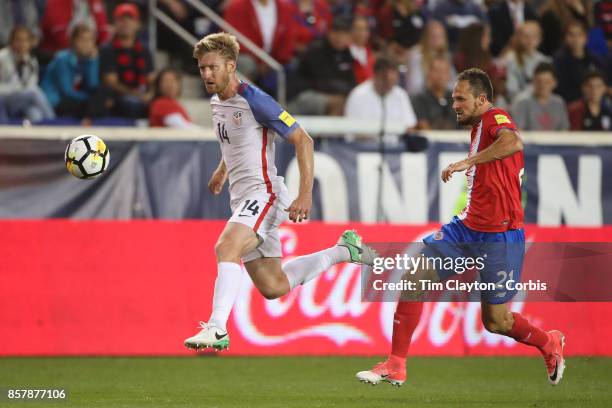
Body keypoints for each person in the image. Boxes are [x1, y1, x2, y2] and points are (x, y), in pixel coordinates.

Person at [355, 68, 565, 387]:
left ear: (482, 99)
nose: (454, 104)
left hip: (501, 237)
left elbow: (514, 142)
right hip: (466, 229)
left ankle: (549, 343)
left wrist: (470, 161)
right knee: (413, 278)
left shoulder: (495, 118)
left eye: (460, 98)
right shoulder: (479, 126)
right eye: (453, 98)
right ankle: (396, 364)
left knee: (496, 322)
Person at [183, 32, 376, 350]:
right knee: (273, 286)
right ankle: (344, 251)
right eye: (202, 68)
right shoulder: (219, 102)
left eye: (212, 67)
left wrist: (305, 194)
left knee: (226, 247)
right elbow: (236, 144)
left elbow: (304, 140)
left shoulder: (256, 100)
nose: (206, 74)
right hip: (243, 199)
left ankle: (216, 327)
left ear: (231, 66)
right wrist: (221, 172)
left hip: (266, 194)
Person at [41, 24, 111, 122]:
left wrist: (92, 61)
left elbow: (93, 85)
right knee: (97, 104)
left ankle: (88, 118)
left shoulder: (89, 58)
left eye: (90, 40)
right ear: (73, 41)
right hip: (57, 100)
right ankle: (88, 119)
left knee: (103, 92)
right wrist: (91, 100)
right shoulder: (62, 58)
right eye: (82, 39)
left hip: (77, 99)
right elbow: (66, 91)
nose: (86, 44)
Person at [289, 17, 356, 115]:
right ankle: (330, 130)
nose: (339, 38)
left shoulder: (346, 54)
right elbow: (320, 82)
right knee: (337, 103)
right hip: (304, 95)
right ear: (329, 33)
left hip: (334, 94)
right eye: (336, 33)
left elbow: (351, 80)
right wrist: (342, 91)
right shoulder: (317, 50)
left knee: (351, 100)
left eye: (343, 34)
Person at [344, 55, 417, 143]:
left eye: (393, 81)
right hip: (363, 148)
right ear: (375, 75)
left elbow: (410, 126)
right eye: (385, 80)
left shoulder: (400, 95)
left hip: (395, 148)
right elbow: (353, 131)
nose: (389, 85)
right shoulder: (358, 95)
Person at [100, 3, 154, 119]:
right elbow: (111, 82)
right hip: (117, 98)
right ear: (115, 23)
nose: (126, 23)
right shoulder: (107, 49)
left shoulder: (144, 50)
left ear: (137, 24)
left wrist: (150, 94)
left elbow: (151, 79)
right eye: (121, 20)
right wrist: (137, 95)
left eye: (130, 19)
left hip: (141, 95)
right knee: (132, 104)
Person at [0, 26, 54, 123]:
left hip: (21, 100)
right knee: (35, 92)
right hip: (3, 98)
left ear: (29, 44)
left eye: (25, 41)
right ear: (11, 41)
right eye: (18, 40)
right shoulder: (2, 58)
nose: (22, 44)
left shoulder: (31, 61)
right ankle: (54, 124)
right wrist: (18, 89)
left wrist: (21, 91)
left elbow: (31, 85)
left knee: (36, 114)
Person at [553, 21, 605, 103]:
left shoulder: (596, 59)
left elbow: (602, 84)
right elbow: (560, 89)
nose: (575, 39)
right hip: (570, 104)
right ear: (565, 38)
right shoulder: (559, 61)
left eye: (579, 35)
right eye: (571, 35)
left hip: (595, 102)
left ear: (586, 38)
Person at [512, 62, 569, 131]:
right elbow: (519, 131)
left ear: (554, 83)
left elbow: (564, 130)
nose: (542, 86)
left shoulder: (559, 102)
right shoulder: (523, 103)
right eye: (539, 81)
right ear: (533, 81)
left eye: (547, 82)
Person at [504, 21, 551, 101]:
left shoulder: (545, 61)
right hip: (519, 102)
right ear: (518, 38)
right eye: (526, 36)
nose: (530, 40)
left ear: (540, 39)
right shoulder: (511, 59)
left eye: (534, 36)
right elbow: (511, 90)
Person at [411, 55, 457, 130]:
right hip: (431, 140)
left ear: (449, 75)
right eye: (437, 71)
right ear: (429, 73)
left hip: (458, 140)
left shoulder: (456, 98)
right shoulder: (419, 99)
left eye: (444, 71)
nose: (440, 75)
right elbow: (424, 128)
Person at [350, 15, 375, 84]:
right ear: (351, 30)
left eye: (365, 29)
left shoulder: (370, 54)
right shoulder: (346, 51)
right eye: (359, 29)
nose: (363, 33)